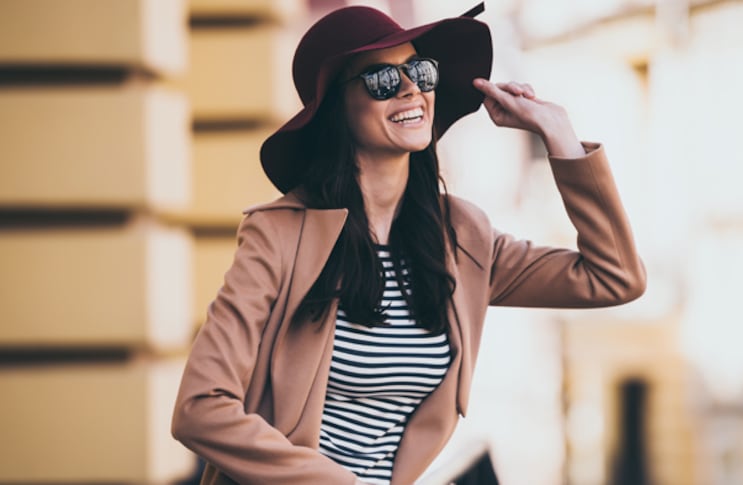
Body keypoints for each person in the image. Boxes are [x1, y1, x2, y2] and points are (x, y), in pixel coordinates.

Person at [171, 3, 646, 485]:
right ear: (337, 108)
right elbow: (199, 408)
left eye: (420, 70)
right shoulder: (279, 237)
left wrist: (558, 134)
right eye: (380, 79)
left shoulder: (461, 239)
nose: (410, 87)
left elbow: (613, 278)